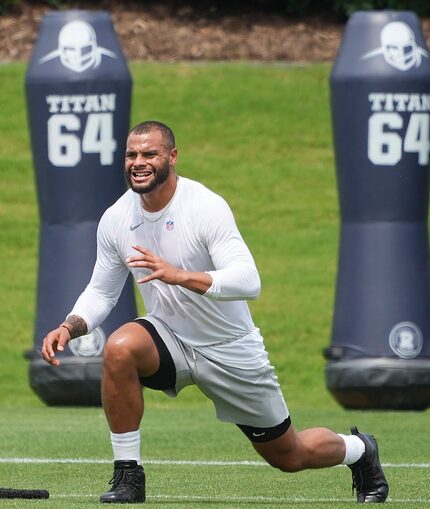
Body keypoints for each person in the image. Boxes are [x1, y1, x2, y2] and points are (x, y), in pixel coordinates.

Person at [41, 120, 389, 504]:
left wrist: (182, 276)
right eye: (131, 154)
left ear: (172, 157)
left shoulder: (204, 207)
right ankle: (128, 477)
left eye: (150, 154)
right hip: (169, 337)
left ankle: (359, 449)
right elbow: (102, 291)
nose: (139, 162)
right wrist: (69, 327)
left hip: (229, 348)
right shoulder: (116, 219)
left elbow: (248, 280)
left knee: (289, 455)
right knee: (120, 348)